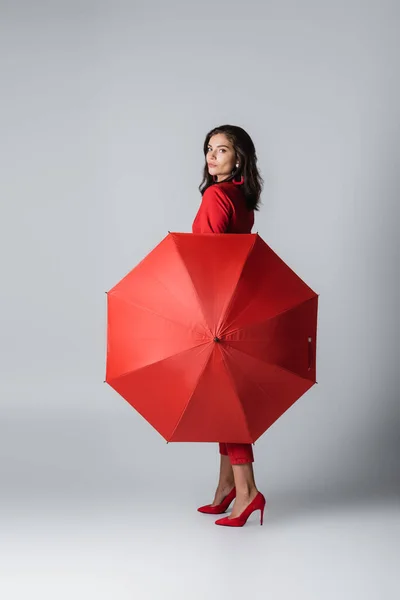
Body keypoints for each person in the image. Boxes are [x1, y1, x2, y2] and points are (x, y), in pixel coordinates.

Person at [192, 124, 266, 527]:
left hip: (214, 304)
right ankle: (226, 487)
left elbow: (207, 257)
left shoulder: (216, 195)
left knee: (226, 400)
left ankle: (248, 491)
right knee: (226, 395)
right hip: (235, 303)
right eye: (208, 148)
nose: (212, 156)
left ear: (239, 158)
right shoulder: (242, 199)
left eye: (222, 150)